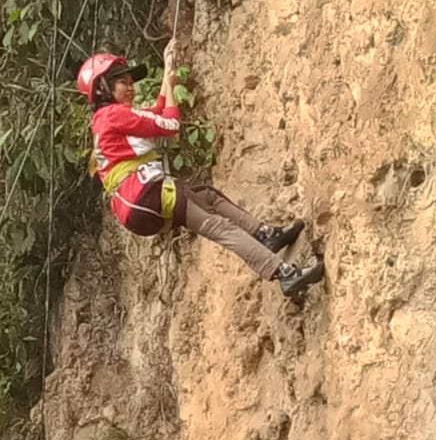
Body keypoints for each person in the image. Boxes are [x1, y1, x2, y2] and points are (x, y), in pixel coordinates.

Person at [76, 39, 324, 296]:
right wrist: (170, 87)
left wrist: (167, 70)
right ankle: (284, 273)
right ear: (103, 88)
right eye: (122, 82)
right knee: (219, 227)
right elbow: (170, 125)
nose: (130, 88)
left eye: (131, 82)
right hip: (144, 195)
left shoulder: (108, 119)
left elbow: (155, 113)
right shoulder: (114, 115)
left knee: (207, 196)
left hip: (136, 204)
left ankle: (264, 234)